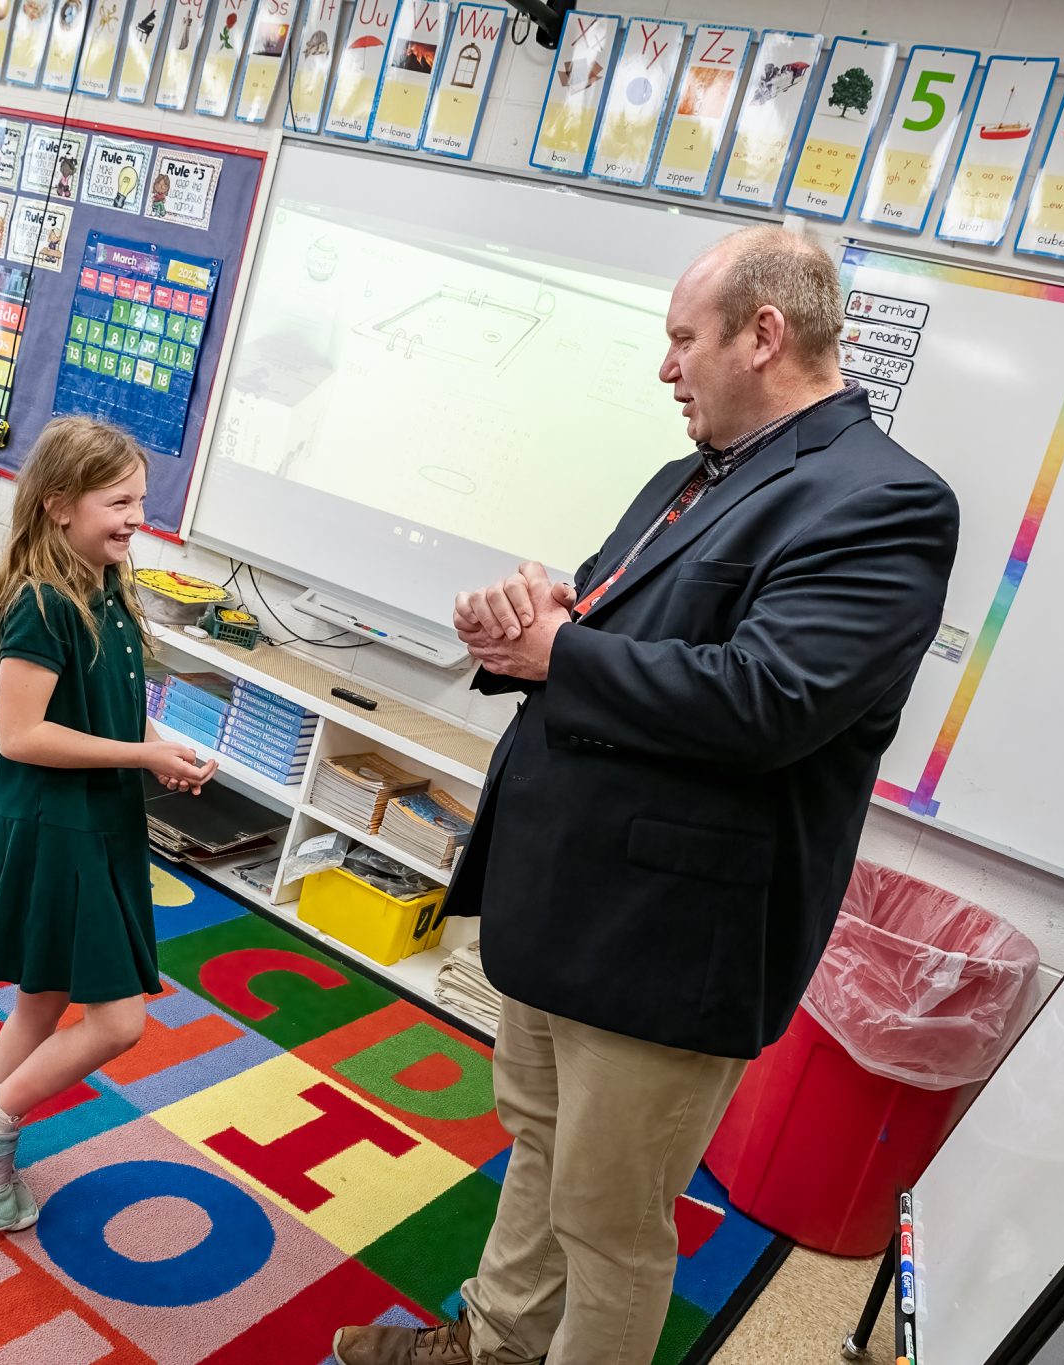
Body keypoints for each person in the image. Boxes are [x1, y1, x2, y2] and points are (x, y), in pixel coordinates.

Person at [333, 227, 959, 1364]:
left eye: (681, 339)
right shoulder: (688, 475)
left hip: (669, 941)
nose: (664, 368)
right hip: (569, 894)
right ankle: (491, 1345)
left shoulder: (882, 500)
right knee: (537, 1149)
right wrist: (526, 627)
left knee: (611, 1223)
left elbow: (770, 698)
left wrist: (559, 650)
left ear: (762, 335)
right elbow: (614, 636)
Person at [0, 417, 217, 1233]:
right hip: (56, 827)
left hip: (98, 820)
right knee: (118, 1021)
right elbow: (20, 735)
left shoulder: (108, 585)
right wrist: (136, 754)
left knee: (42, 999)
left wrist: (162, 749)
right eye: (117, 500)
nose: (135, 516)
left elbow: (115, 710)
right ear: (58, 503)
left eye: (141, 499)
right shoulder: (41, 602)